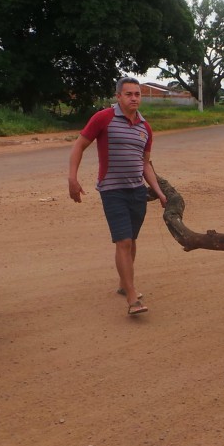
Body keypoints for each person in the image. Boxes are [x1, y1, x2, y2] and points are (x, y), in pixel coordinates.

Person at [68, 76, 167, 316]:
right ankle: (132, 296)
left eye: (137, 94)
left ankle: (125, 284)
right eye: (129, 94)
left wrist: (159, 192)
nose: (134, 98)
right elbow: (79, 145)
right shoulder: (104, 118)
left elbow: (145, 165)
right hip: (112, 190)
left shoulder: (145, 128)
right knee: (122, 241)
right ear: (118, 96)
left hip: (137, 191)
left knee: (131, 241)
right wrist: (72, 177)